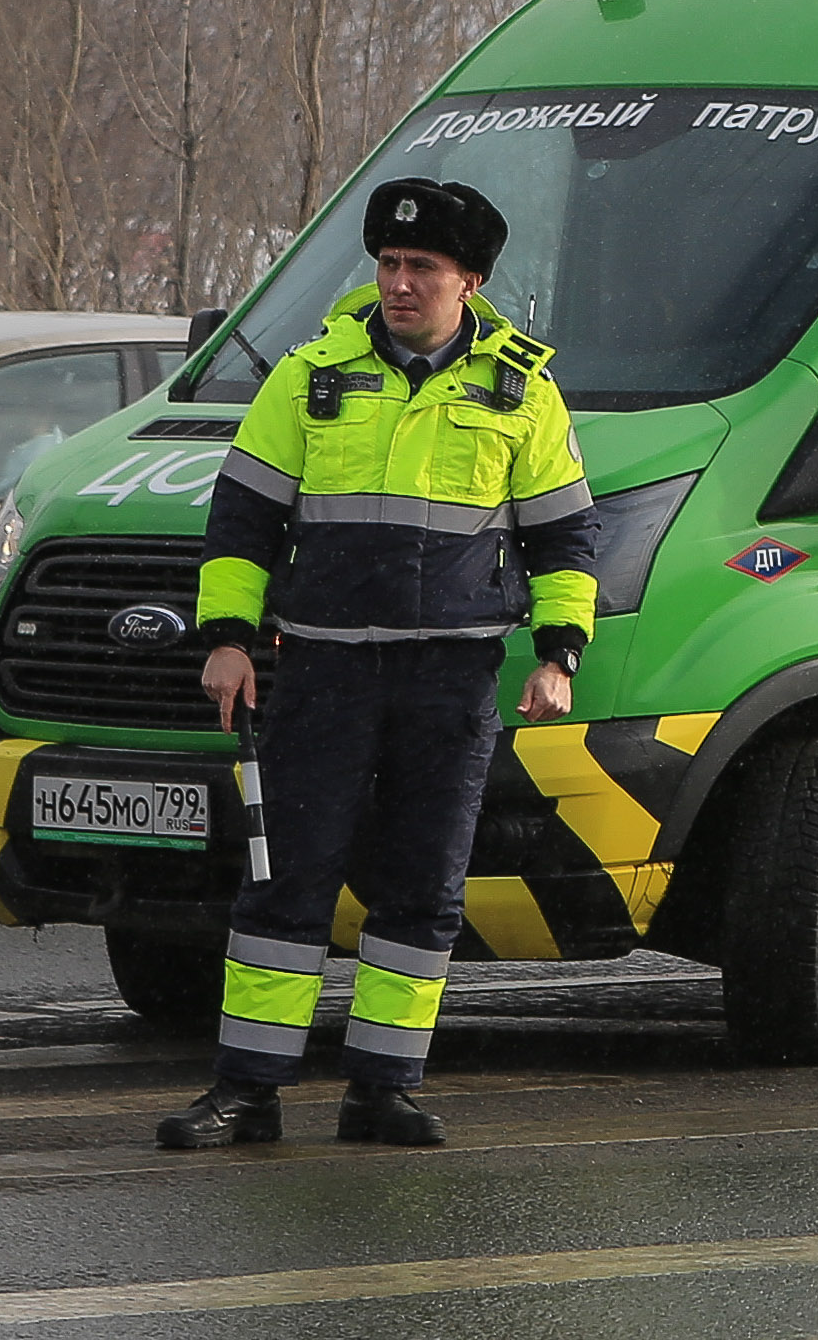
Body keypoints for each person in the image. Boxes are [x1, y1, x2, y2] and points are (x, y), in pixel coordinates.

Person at [156, 179, 606, 1151]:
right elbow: (243, 522)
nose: (401, 284)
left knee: (422, 887)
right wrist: (227, 638)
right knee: (288, 881)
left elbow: (565, 541)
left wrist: (558, 654)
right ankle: (246, 1092)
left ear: (469, 281)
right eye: (390, 265)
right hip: (323, 672)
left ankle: (382, 1089)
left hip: (448, 678)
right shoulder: (309, 377)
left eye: (423, 269)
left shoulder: (520, 389)